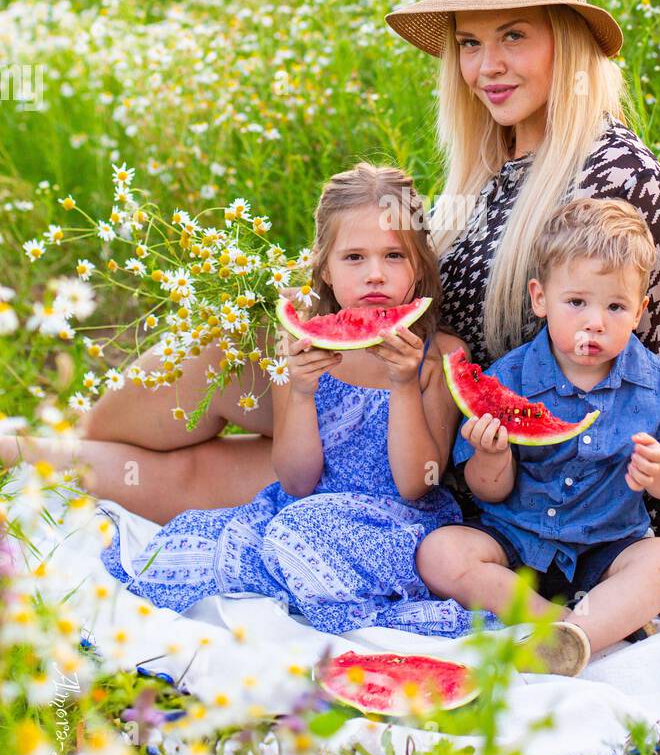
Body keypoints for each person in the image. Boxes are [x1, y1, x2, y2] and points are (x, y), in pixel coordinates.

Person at [385, 0, 660, 616]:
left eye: (514, 36)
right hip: (449, 453)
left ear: (566, 46)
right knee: (230, 360)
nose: (487, 67)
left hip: (537, 495)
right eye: (471, 44)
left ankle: (556, 634)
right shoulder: (487, 170)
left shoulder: (619, 177)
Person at [98, 163, 497, 637]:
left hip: (396, 526)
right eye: (354, 258)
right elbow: (295, 479)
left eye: (394, 256)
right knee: (226, 537)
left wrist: (404, 385)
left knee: (300, 534)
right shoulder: (302, 346)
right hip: (307, 509)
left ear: (420, 266)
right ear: (324, 267)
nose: (375, 274)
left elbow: (415, 484)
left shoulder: (442, 357)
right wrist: (302, 393)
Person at [417, 194, 660, 675]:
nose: (595, 322)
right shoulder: (508, 378)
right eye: (576, 303)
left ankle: (576, 638)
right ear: (540, 299)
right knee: (440, 552)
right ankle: (561, 626)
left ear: (640, 311)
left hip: (606, 549)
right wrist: (492, 457)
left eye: (616, 307)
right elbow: (490, 490)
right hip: (515, 544)